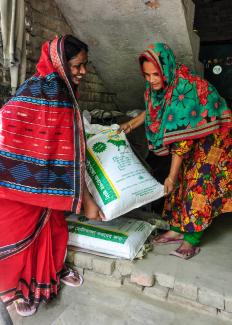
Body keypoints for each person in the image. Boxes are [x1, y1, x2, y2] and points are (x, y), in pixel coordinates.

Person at [0, 35, 104, 317]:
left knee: (53, 229)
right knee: (20, 237)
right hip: (22, 185)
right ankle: (16, 290)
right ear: (60, 63)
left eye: (85, 66)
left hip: (46, 184)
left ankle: (51, 275)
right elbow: (8, 117)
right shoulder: (45, 89)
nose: (82, 72)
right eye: (77, 66)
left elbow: (67, 150)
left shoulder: (61, 89)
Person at [119, 43, 231, 259]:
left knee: (198, 183)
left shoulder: (185, 89)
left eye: (155, 74)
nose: (151, 80)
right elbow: (154, 110)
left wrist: (171, 176)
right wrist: (131, 125)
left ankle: (191, 239)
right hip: (193, 136)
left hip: (216, 136)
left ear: (166, 69)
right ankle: (176, 229)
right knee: (180, 182)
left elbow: (181, 142)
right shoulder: (162, 88)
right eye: (147, 75)